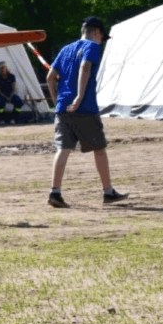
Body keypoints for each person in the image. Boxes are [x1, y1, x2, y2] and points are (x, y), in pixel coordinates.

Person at [43, 15, 126, 207]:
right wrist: (79, 96)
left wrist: (57, 101)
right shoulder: (92, 47)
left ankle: (55, 193)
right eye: (102, 37)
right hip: (85, 107)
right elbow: (85, 66)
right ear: (96, 32)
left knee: (63, 149)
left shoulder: (65, 49)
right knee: (99, 149)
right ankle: (108, 192)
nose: (101, 41)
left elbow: (50, 77)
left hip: (62, 107)